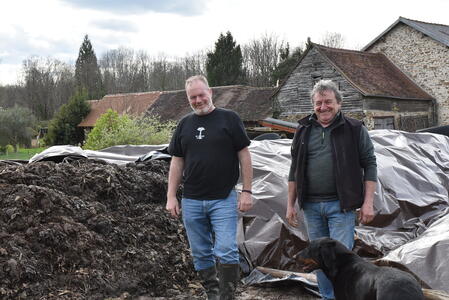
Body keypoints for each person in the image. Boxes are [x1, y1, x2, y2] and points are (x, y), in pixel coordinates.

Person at [286, 79, 377, 300]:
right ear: (313, 105)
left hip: (341, 206)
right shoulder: (304, 129)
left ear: (339, 103)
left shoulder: (354, 129)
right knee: (319, 260)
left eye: (328, 102)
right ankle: (328, 297)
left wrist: (367, 203)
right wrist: (290, 205)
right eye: (318, 103)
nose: (323, 107)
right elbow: (294, 169)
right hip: (311, 206)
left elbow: (370, 164)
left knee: (341, 261)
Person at [166, 75, 253, 300]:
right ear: (188, 99)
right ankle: (213, 294)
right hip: (192, 200)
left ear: (210, 92)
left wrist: (247, 190)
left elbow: (244, 155)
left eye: (201, 95)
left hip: (223, 198)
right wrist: (171, 196)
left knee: (225, 249)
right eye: (192, 97)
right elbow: (177, 161)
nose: (198, 100)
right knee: (200, 252)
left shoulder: (229, 119)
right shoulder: (184, 124)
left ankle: (227, 296)